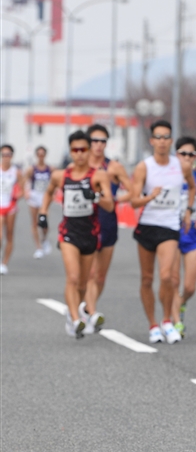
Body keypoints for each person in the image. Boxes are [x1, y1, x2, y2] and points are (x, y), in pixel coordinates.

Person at [37, 131, 114, 337]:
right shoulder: (60, 175)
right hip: (68, 232)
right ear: (70, 151)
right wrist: (43, 212)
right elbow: (49, 191)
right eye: (75, 150)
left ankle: (77, 310)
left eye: (83, 149)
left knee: (83, 281)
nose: (79, 154)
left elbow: (110, 204)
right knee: (72, 276)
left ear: (89, 151)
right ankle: (74, 318)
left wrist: (95, 196)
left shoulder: (98, 175)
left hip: (90, 233)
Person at [128, 119, 195, 344]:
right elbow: (134, 202)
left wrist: (187, 210)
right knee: (147, 279)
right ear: (151, 141)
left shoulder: (182, 165)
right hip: (147, 225)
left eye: (166, 137)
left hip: (169, 226)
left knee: (167, 276)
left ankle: (167, 319)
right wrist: (150, 196)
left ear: (171, 140)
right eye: (158, 137)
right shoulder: (144, 167)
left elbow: (192, 186)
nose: (162, 141)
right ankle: (153, 324)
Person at [79, 124, 132, 334]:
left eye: (102, 141)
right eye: (94, 141)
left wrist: (115, 199)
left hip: (108, 221)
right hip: (85, 223)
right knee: (90, 273)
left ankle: (87, 308)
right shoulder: (81, 167)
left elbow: (132, 190)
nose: (99, 145)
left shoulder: (114, 167)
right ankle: (90, 312)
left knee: (100, 276)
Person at [169, 135, 196, 337]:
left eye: (191, 154)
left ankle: (180, 302)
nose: (187, 157)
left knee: (190, 285)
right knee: (174, 279)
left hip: (194, 235)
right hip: (171, 232)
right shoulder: (168, 177)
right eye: (183, 154)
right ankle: (175, 319)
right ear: (176, 155)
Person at [23, 146, 53, 259]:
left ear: (45, 155)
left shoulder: (50, 168)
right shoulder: (32, 169)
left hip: (45, 197)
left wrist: (54, 192)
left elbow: (56, 181)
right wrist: (26, 192)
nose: (41, 156)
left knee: (44, 221)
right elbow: (25, 180)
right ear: (36, 155)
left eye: (42, 154)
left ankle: (44, 239)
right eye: (39, 154)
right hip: (34, 196)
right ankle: (38, 247)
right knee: (34, 222)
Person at [0, 144, 24, 274]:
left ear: (12, 156)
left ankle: (4, 263)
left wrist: (18, 194)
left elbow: (22, 189)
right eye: (3, 155)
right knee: (0, 235)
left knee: (9, 235)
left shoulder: (16, 172)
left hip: (11, 206)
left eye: (8, 155)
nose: (6, 157)